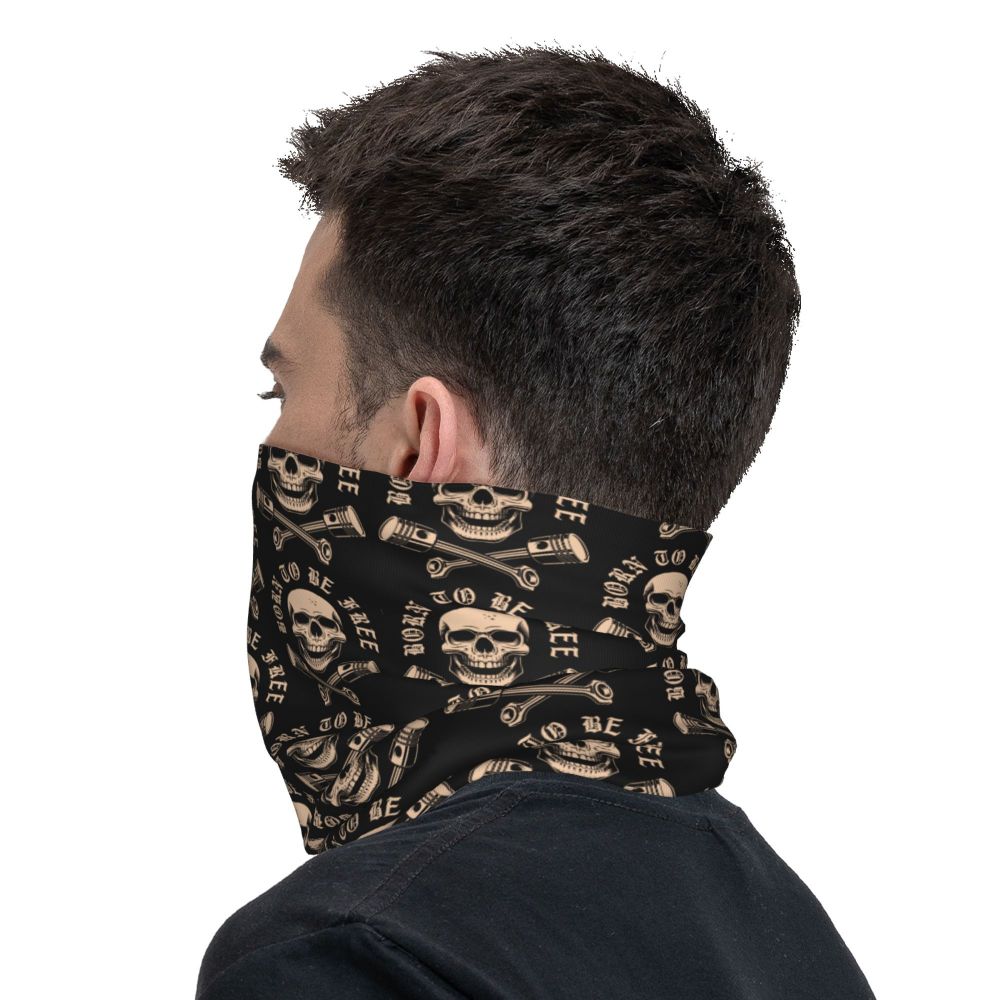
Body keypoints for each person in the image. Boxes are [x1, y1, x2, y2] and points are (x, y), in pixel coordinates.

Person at [195, 45, 876, 999]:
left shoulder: (360, 952)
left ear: (420, 441)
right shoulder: (794, 944)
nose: (277, 442)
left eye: (282, 390)